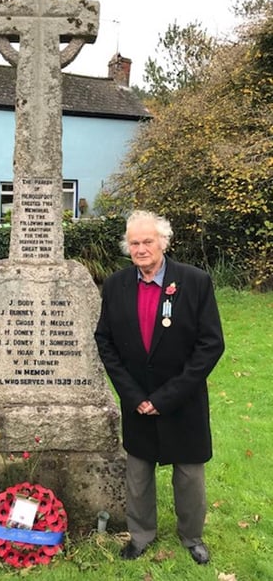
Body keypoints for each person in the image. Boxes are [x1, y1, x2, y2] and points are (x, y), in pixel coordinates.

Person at [94, 210, 224, 565]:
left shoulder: (195, 282)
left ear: (162, 242)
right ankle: (141, 535)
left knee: (189, 476)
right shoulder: (116, 285)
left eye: (147, 241)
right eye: (133, 243)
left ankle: (192, 536)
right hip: (137, 400)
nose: (140, 249)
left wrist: (167, 397)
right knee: (138, 475)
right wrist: (134, 396)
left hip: (183, 400)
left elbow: (211, 344)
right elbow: (104, 340)